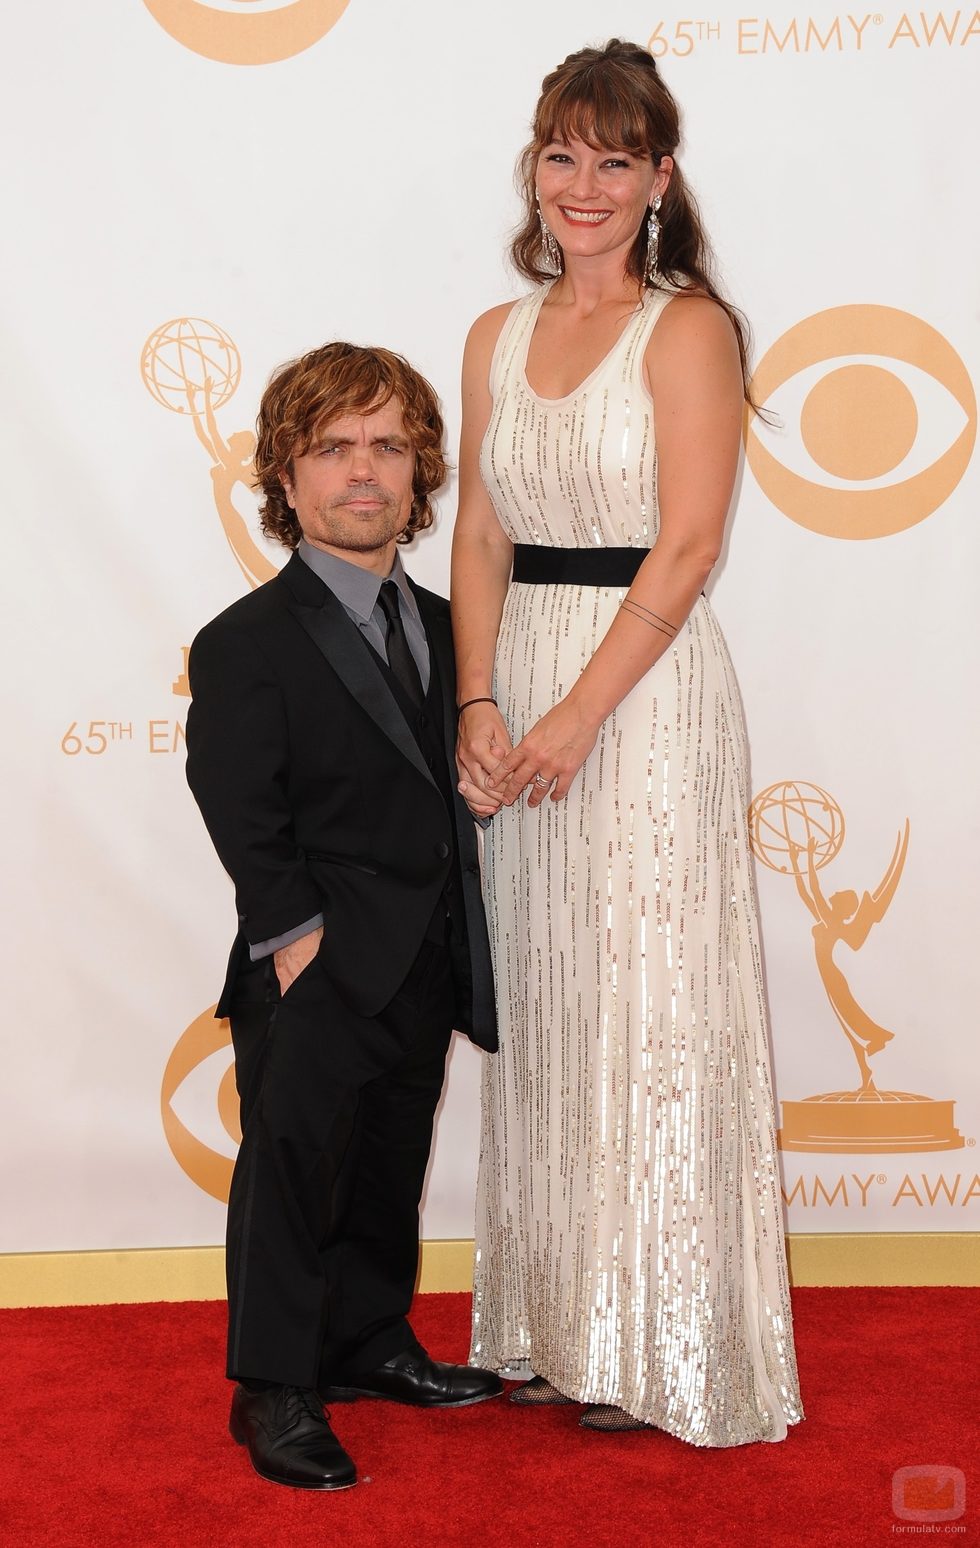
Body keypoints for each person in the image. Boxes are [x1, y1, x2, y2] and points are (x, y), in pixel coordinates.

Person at [451, 39, 803, 1443]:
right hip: (522, 685)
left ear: (659, 177)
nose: (582, 185)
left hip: (641, 701)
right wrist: (479, 704)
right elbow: (480, 529)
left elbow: (694, 542)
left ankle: (660, 1336)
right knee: (545, 1003)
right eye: (561, 154)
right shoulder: (495, 332)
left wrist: (575, 719)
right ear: (533, 168)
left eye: (614, 158)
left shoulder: (690, 327)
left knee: (650, 1004)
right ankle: (553, 1321)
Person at [185, 341, 502, 1491]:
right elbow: (238, 804)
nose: (361, 472)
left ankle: (367, 1342)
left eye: (386, 446)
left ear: (419, 473)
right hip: (310, 965)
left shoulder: (450, 621)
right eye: (332, 449)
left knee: (386, 1163)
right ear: (285, 476)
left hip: (423, 955)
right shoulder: (244, 643)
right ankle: (274, 1386)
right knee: (290, 1172)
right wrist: (294, 942)